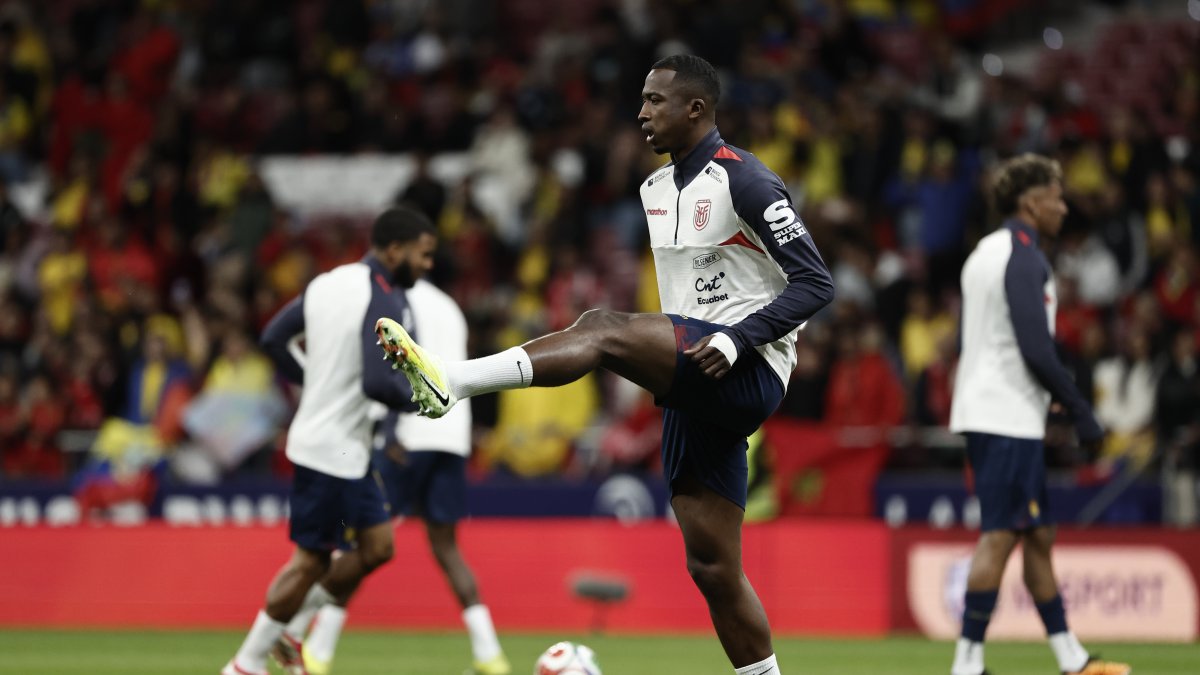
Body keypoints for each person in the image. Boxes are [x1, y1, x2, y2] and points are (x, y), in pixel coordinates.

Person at [376, 54, 834, 675]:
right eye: (641, 99)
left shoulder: (745, 181)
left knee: (601, 328)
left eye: (654, 101)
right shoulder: (654, 189)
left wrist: (737, 339)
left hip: (746, 368)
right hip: (696, 378)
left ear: (696, 110)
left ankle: (453, 381)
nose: (641, 112)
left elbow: (816, 283)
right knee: (713, 569)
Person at [221, 207, 435, 675]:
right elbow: (379, 383)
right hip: (332, 451)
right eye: (423, 255)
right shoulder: (386, 300)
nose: (427, 264)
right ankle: (246, 664)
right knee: (310, 562)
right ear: (394, 250)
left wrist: (312, 381)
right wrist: (423, 398)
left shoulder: (327, 283)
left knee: (378, 546)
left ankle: (292, 629)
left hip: (341, 447)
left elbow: (274, 338)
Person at [948, 154, 1130, 675]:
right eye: (1056, 196)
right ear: (1031, 201)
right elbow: (1034, 343)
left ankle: (1072, 659)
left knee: (1037, 534)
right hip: (1005, 416)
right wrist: (1079, 408)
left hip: (996, 408)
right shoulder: (1025, 256)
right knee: (1001, 534)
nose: (1064, 207)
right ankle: (967, 664)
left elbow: (980, 341)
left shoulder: (983, 253)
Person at [280, 277, 511, 675]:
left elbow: (397, 363)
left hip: (409, 433)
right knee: (447, 548)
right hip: (452, 435)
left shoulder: (391, 299)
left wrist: (387, 433)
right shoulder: (450, 305)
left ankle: (314, 644)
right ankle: (489, 654)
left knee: (362, 542)